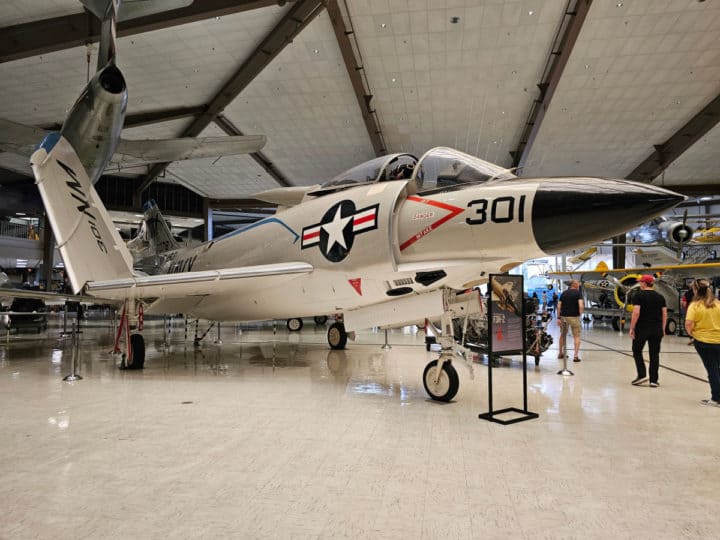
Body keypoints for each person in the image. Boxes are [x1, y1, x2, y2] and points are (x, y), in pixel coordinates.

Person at [684, 279, 720, 406]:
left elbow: (689, 323)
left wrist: (692, 335)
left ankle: (716, 398)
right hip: (718, 340)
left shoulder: (695, 305)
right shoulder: (717, 303)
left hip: (703, 341)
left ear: (695, 290)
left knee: (712, 370)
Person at [629, 274, 667, 387]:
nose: (639, 283)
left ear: (645, 283)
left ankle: (642, 375)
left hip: (642, 328)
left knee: (637, 351)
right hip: (656, 329)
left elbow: (636, 312)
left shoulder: (638, 295)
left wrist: (632, 327)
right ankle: (654, 380)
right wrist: (663, 328)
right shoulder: (660, 297)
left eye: (640, 282)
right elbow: (664, 313)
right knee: (654, 354)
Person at [557, 280, 584, 362]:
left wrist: (558, 317)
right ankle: (575, 356)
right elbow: (581, 305)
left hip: (564, 317)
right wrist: (580, 314)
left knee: (563, 335)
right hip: (574, 317)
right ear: (574, 285)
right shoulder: (578, 293)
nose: (579, 284)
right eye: (578, 283)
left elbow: (558, 306)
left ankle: (560, 353)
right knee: (576, 336)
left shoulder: (564, 293)